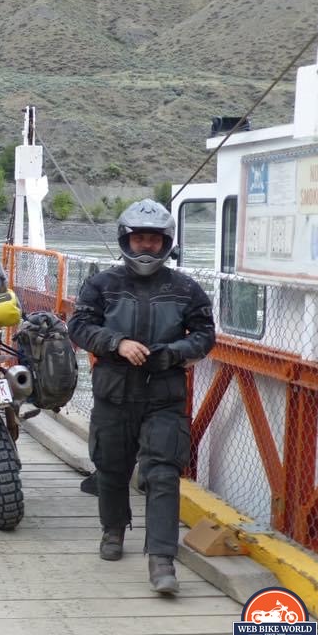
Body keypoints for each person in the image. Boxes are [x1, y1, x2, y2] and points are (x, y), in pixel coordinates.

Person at [67, 199, 215, 594]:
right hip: (114, 394)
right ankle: (113, 530)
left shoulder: (186, 288)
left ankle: (162, 559)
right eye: (139, 239)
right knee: (111, 467)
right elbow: (79, 326)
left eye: (153, 240)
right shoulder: (102, 284)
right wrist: (116, 342)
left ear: (165, 242)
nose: (146, 247)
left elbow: (205, 336)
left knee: (164, 473)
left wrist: (175, 353)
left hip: (164, 396)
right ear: (126, 241)